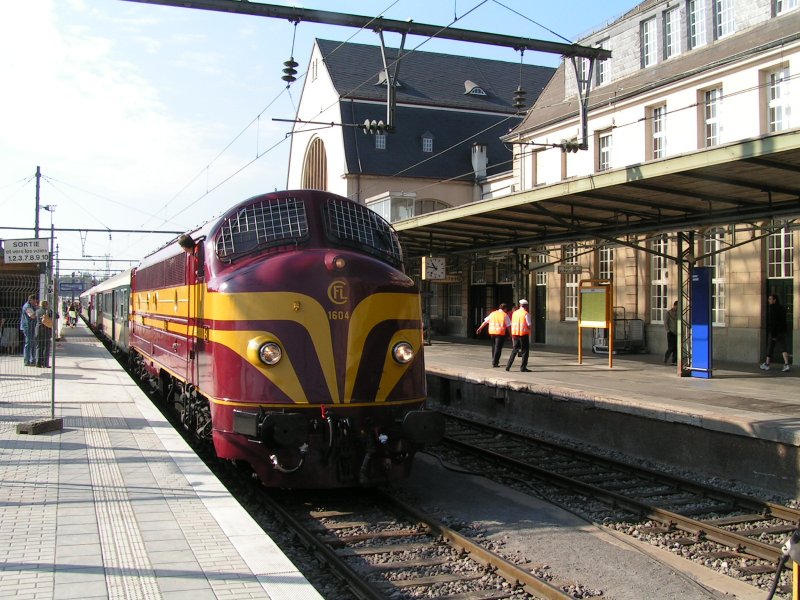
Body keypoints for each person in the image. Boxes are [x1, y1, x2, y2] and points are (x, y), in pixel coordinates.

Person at [761, 294, 790, 372]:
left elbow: (773, 322)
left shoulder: (772, 309)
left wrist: (773, 334)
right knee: (783, 347)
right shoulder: (782, 308)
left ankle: (767, 364)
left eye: (770, 299)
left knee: (770, 347)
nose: (769, 301)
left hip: (774, 332)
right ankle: (786, 364)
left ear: (775, 300)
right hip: (781, 331)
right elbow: (783, 321)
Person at [476, 303, 511, 367]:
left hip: (492, 332)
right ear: (505, 309)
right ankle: (495, 362)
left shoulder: (493, 313)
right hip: (500, 333)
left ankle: (494, 359)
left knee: (494, 347)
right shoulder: (505, 315)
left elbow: (485, 322)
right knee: (498, 348)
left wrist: (480, 328)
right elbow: (508, 326)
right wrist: (510, 334)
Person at [505, 299, 531, 372]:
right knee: (525, 351)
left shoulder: (515, 313)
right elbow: (529, 325)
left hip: (515, 334)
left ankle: (508, 365)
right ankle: (523, 367)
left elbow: (512, 323)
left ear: (520, 305)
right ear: (526, 306)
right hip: (523, 334)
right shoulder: (526, 314)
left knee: (514, 350)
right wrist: (530, 330)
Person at [19, 295, 38, 366]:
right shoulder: (27, 306)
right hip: (27, 327)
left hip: (31, 327)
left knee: (32, 343)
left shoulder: (31, 306)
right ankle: (26, 360)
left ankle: (33, 360)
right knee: (28, 343)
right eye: (34, 300)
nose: (35, 302)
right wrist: (38, 311)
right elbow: (32, 316)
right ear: (31, 300)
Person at [35, 300, 54, 368]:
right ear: (46, 305)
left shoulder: (37, 311)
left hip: (38, 330)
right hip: (46, 330)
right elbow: (57, 316)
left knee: (38, 347)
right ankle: (45, 363)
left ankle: (38, 363)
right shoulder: (48, 311)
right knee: (46, 347)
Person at [663, 300, 678, 365]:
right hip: (671, 332)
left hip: (677, 332)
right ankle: (666, 358)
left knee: (676, 348)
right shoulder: (668, 313)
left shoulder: (679, 313)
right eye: (677, 306)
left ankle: (674, 361)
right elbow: (666, 322)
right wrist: (668, 331)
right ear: (674, 305)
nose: (677, 308)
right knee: (671, 347)